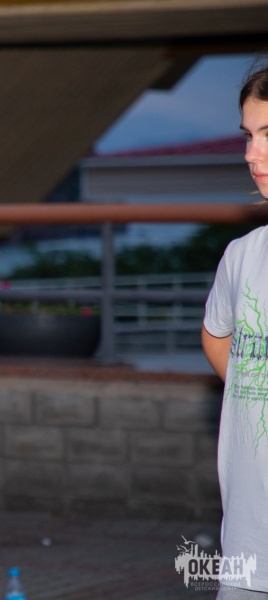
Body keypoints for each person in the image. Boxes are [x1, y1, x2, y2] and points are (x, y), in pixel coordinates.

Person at [203, 64, 268, 599]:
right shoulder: (243, 254)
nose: (252, 154)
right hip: (247, 555)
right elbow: (216, 335)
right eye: (249, 135)